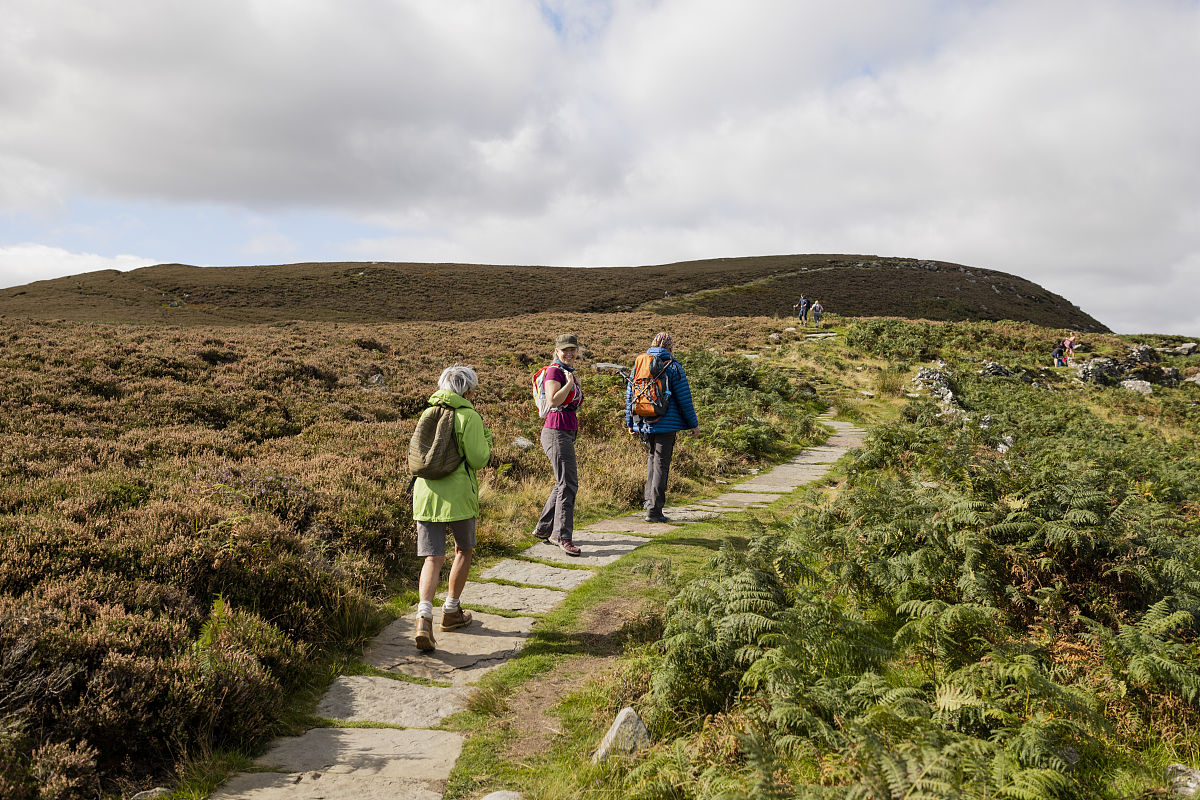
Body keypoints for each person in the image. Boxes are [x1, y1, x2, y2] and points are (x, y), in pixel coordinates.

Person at [412, 365, 492, 652]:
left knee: (432, 558)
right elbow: (479, 458)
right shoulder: (468, 416)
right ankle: (451, 610)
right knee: (462, 550)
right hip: (458, 496)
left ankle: (423, 617)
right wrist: (488, 440)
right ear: (468, 390)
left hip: (425, 494)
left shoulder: (427, 412)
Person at [626, 332, 699, 523]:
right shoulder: (673, 367)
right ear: (670, 348)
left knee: (652, 460)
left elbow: (630, 396)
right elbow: (684, 399)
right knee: (661, 464)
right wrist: (693, 424)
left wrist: (630, 422)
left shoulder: (639, 365)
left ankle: (648, 501)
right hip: (666, 425)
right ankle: (654, 510)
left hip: (644, 422)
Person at [534, 334, 584, 556]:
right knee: (568, 484)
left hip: (566, 429)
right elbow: (553, 400)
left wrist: (574, 384)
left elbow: (573, 403)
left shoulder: (569, 372)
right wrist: (571, 384)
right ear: (556, 350)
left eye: (573, 349)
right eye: (565, 350)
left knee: (562, 482)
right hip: (556, 430)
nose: (570, 353)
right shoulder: (555, 371)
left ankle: (544, 529)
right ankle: (562, 536)